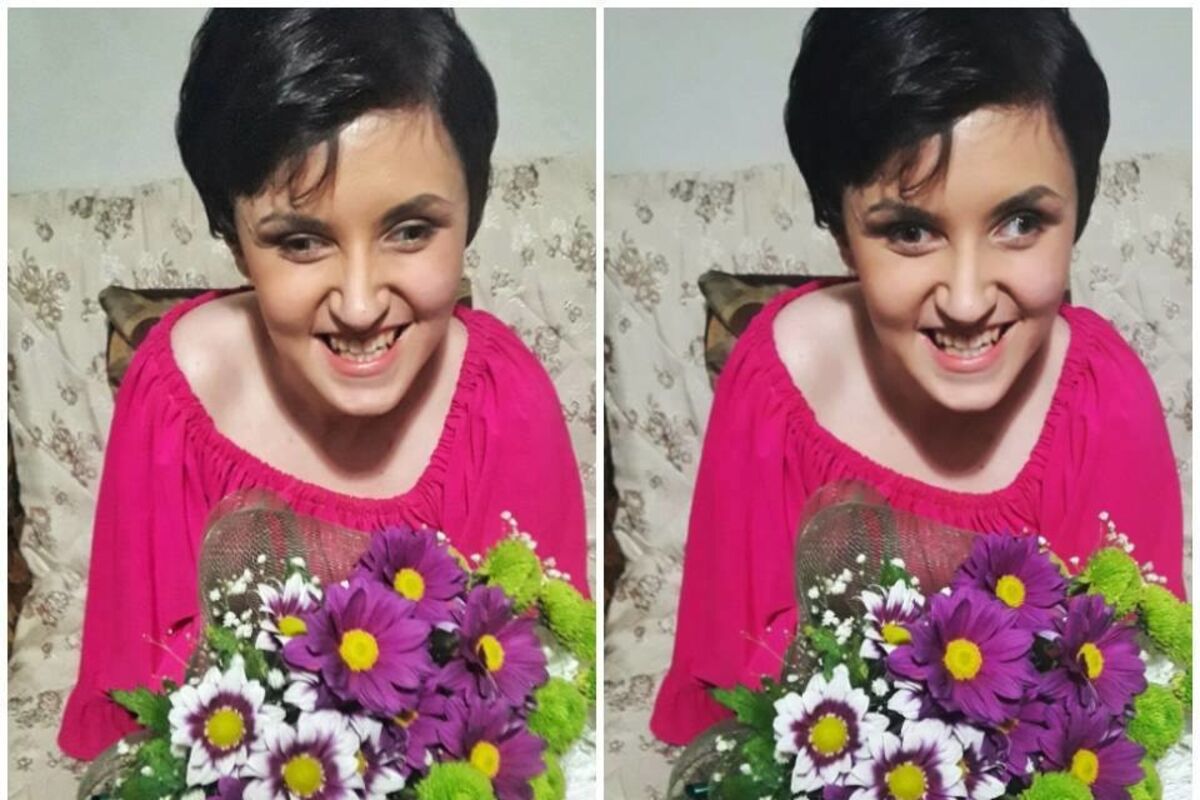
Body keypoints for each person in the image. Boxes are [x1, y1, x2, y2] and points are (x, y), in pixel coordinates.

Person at [59, 9, 589, 760]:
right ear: (235, 240)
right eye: (302, 241)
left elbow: (541, 700)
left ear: (471, 214)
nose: (361, 305)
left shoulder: (505, 402)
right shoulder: (178, 396)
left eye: (411, 231)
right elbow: (141, 718)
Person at [651, 8, 1186, 745]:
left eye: (1021, 223)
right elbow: (733, 696)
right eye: (909, 231)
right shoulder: (777, 384)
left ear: (1079, 215)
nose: (966, 301)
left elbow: (1129, 697)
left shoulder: (1105, 400)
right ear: (841, 232)